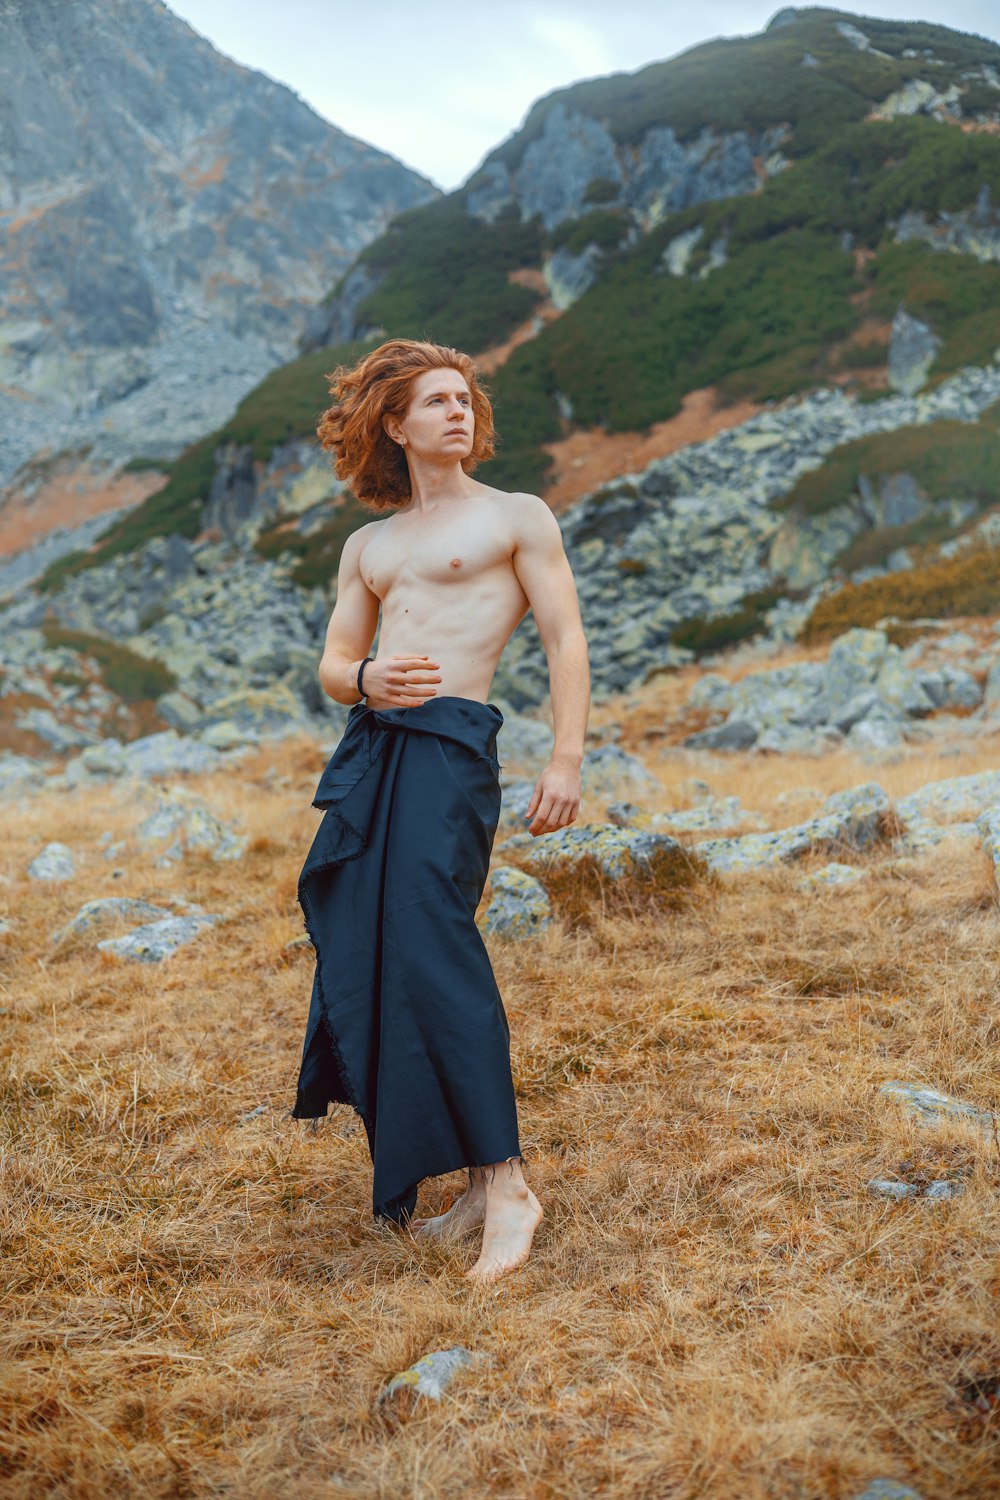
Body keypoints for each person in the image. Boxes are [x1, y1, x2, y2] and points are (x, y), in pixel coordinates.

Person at [291, 337, 590, 1283]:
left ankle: (508, 1183)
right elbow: (335, 665)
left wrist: (567, 759)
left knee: (434, 941)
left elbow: (565, 637)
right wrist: (367, 676)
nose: (459, 411)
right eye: (437, 400)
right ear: (396, 422)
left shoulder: (517, 516)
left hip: (454, 751)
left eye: (466, 398)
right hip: (374, 753)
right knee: (377, 944)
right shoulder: (368, 545)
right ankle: (466, 1181)